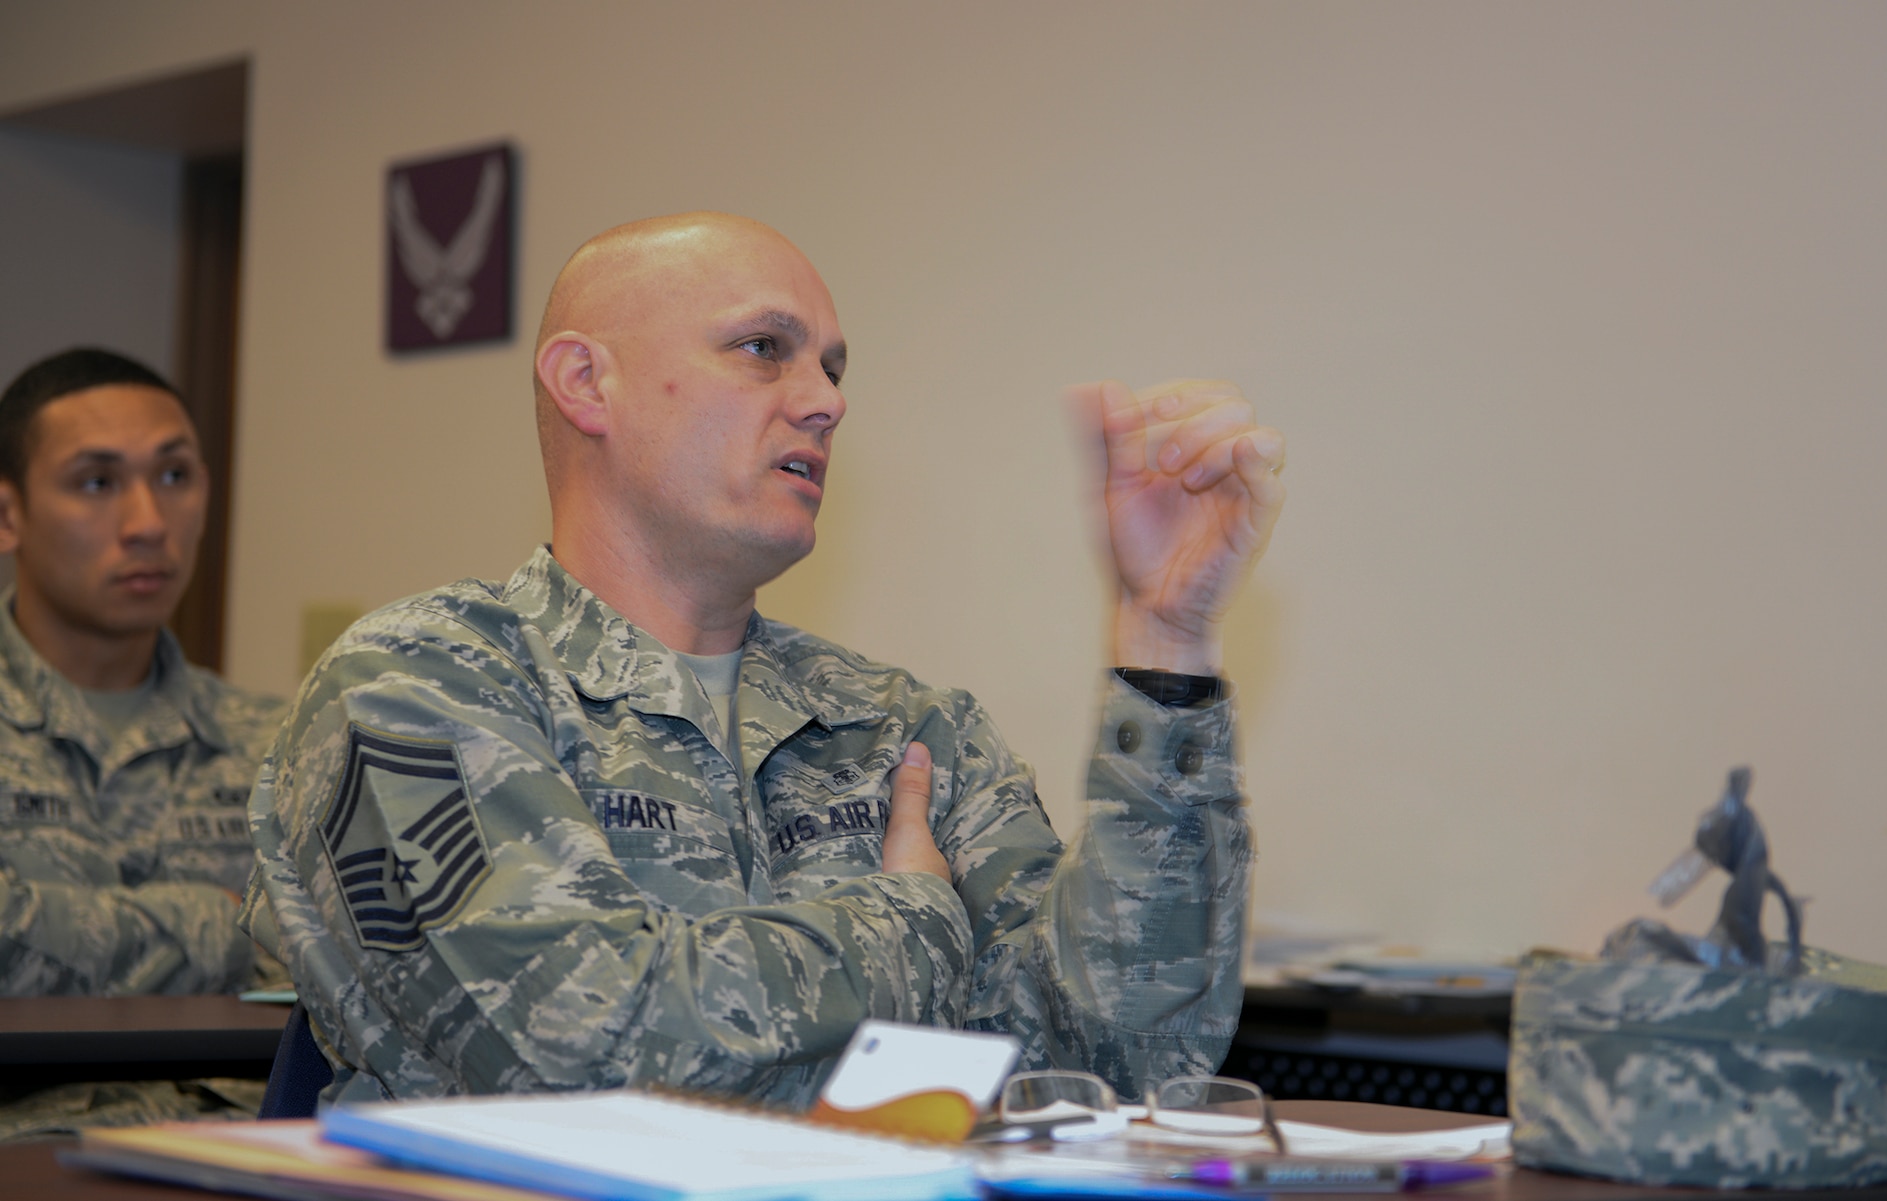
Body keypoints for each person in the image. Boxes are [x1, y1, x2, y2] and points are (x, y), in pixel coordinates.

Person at [242, 213, 1286, 1108]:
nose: (825, 398)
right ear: (584, 383)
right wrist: (911, 922)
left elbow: (1124, 1065)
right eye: (762, 350)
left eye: (831, 366)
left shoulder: (899, 726)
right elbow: (579, 1048)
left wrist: (1165, 640)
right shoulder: (421, 680)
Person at [0, 347, 286, 1135]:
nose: (148, 523)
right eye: (96, 482)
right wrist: (219, 923)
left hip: (244, 1150)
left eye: (174, 476)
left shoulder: (282, 741)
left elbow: (351, 968)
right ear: (8, 515)